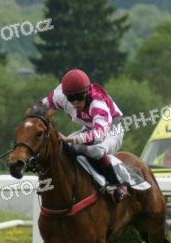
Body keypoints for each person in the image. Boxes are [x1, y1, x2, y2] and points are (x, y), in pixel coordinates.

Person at [39, 68, 128, 202]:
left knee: (96, 150)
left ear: (87, 92)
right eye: (71, 98)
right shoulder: (60, 96)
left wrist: (72, 139)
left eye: (79, 97)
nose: (75, 102)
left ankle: (117, 183)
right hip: (90, 128)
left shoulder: (98, 103)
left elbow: (99, 135)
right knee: (62, 147)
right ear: (65, 95)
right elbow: (39, 107)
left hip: (111, 130)